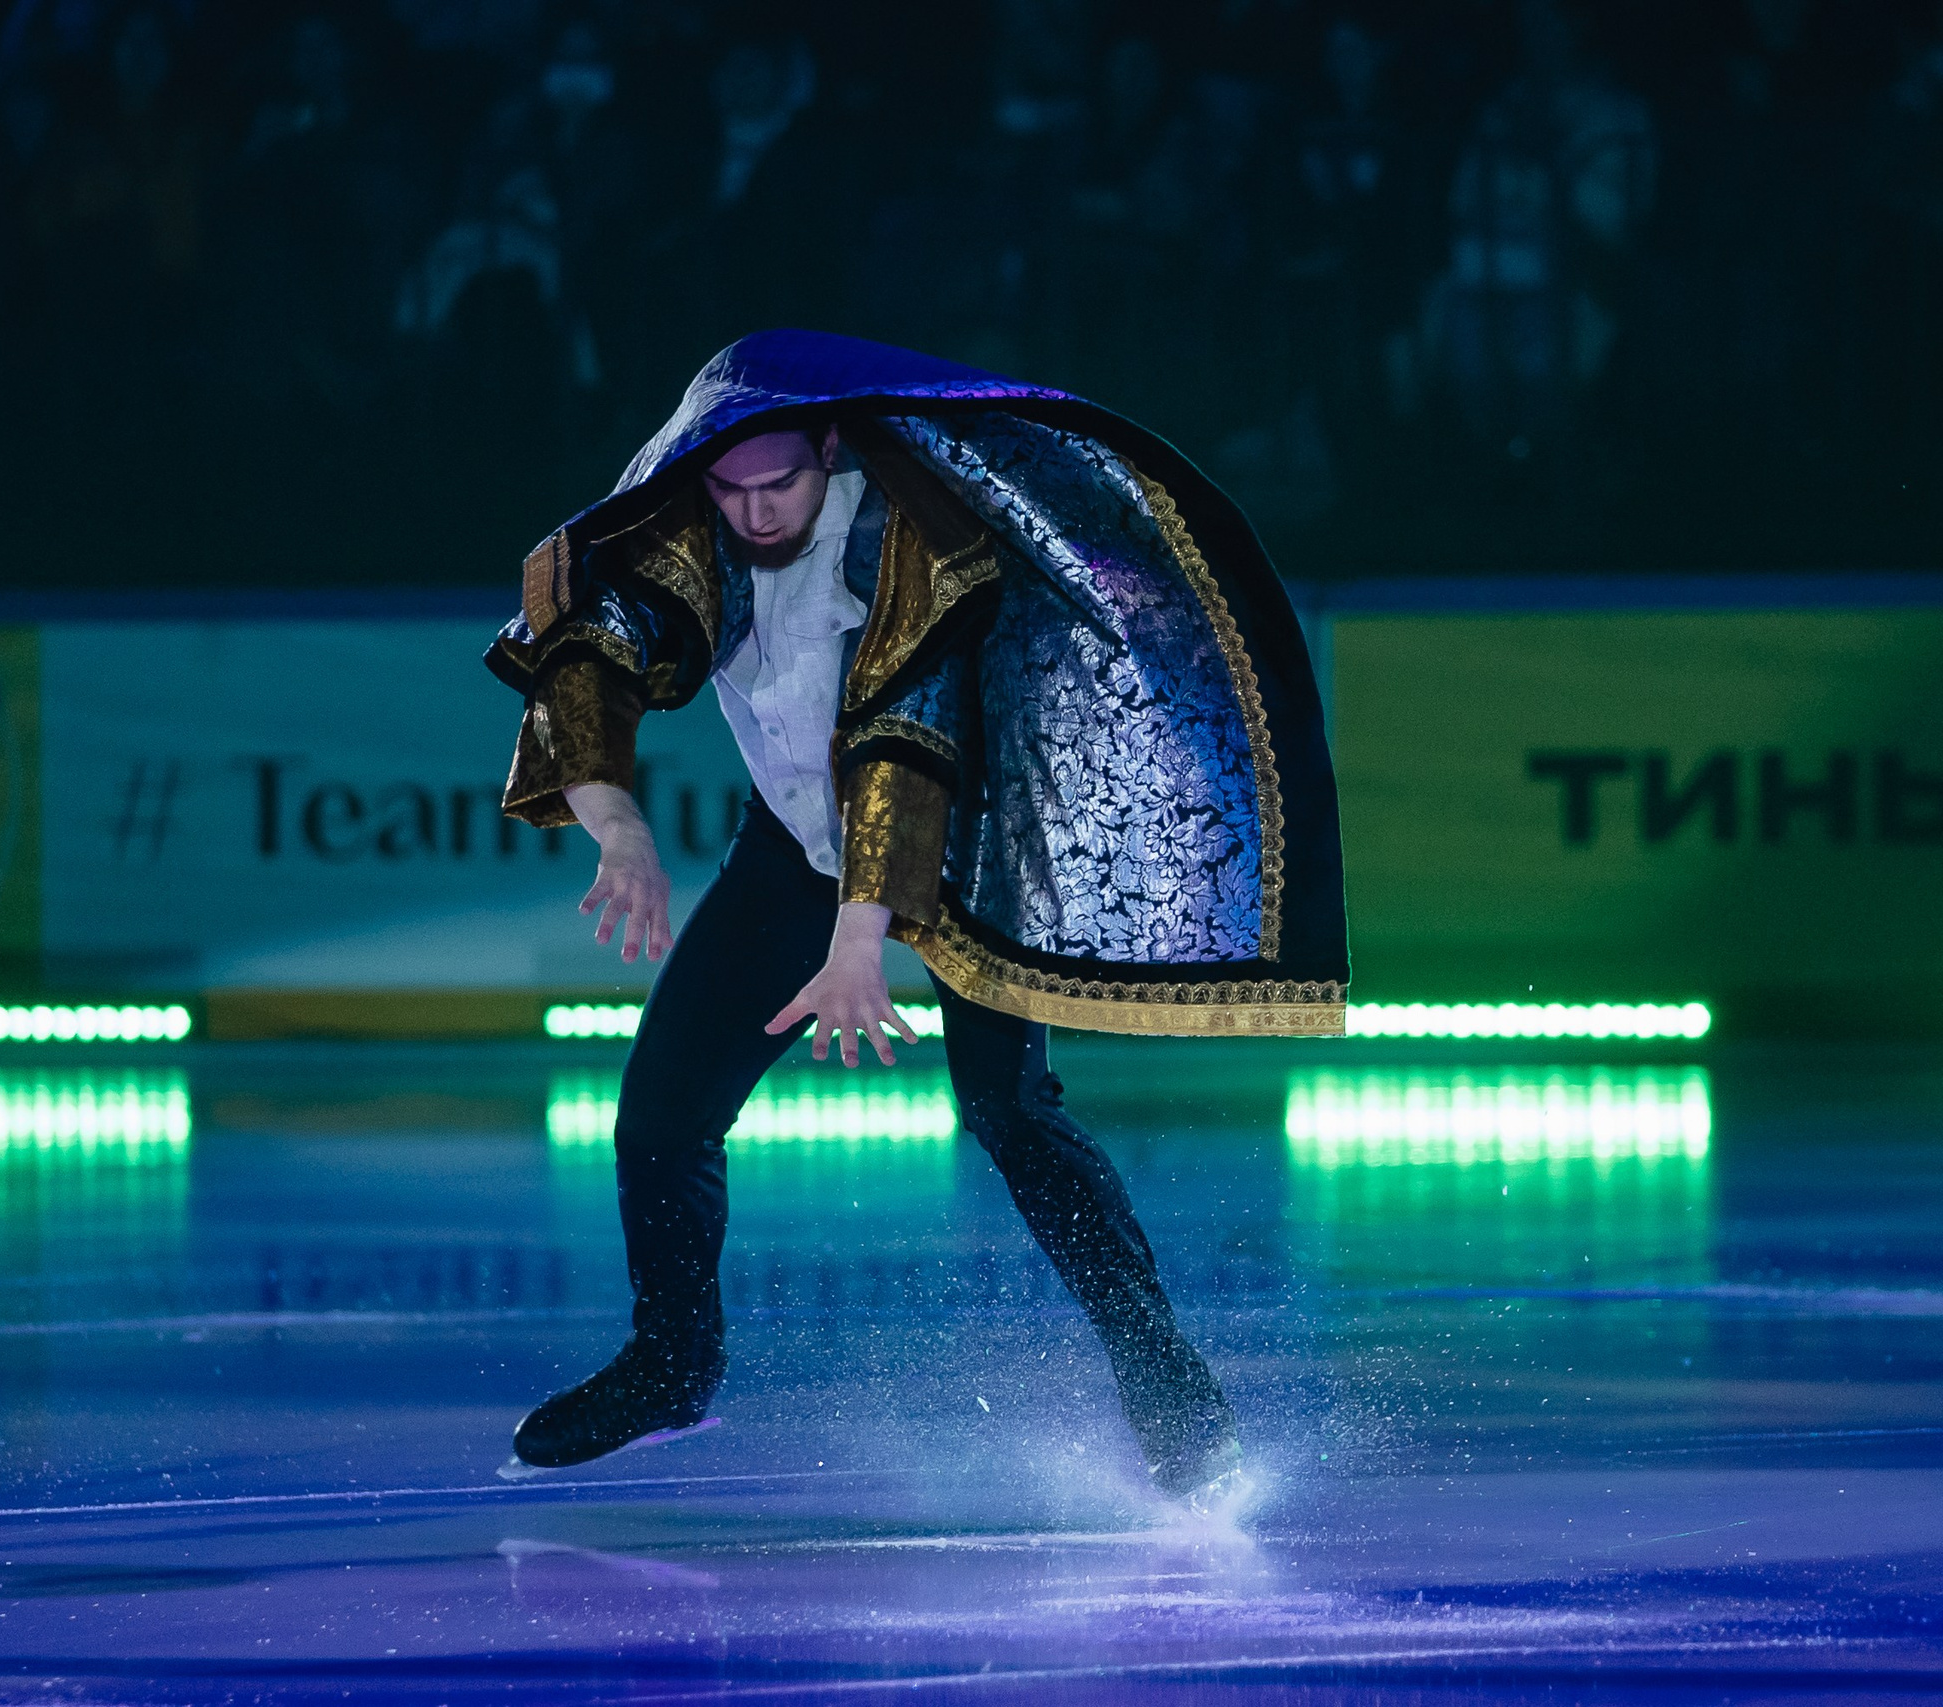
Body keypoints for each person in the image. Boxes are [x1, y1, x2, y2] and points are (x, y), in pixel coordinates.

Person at [486, 330, 1349, 1501]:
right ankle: (672, 1363)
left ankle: (1162, 1375)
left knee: (1011, 1116)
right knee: (660, 1119)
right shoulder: (694, 528)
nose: (752, 511)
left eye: (777, 483)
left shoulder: (916, 540)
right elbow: (586, 657)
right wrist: (624, 833)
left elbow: (903, 749)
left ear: (829, 448)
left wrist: (860, 947)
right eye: (730, 490)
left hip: (962, 845)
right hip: (796, 848)